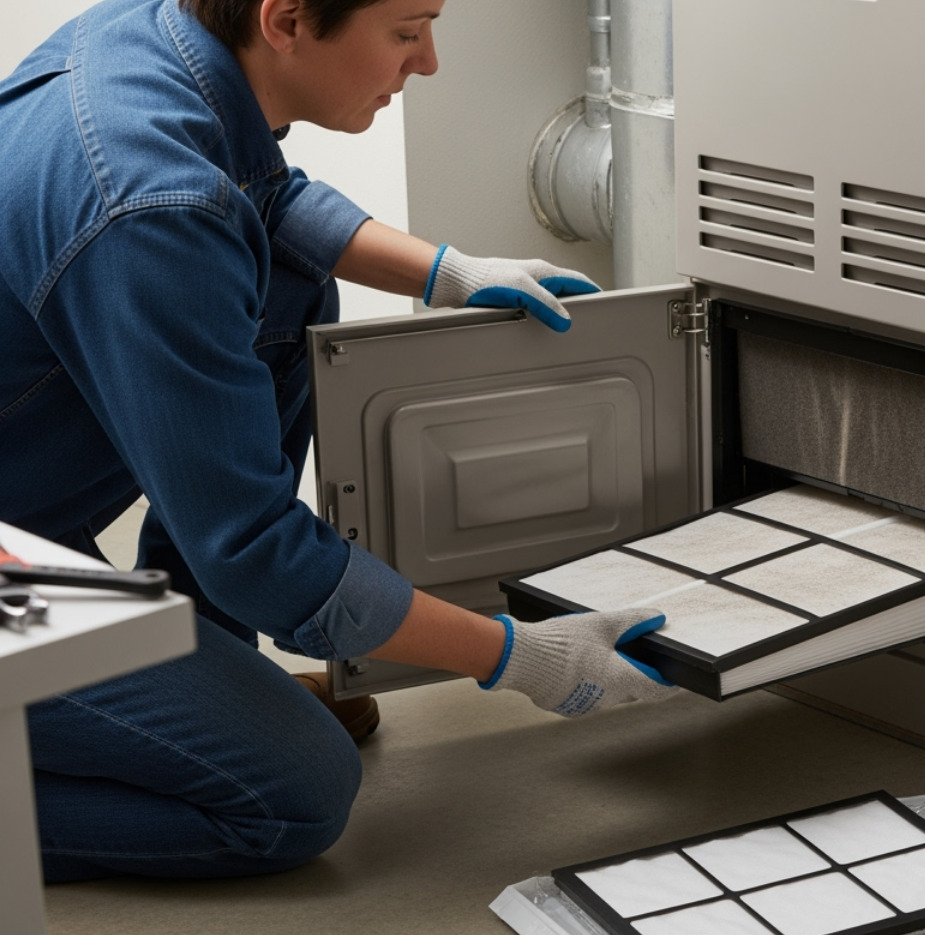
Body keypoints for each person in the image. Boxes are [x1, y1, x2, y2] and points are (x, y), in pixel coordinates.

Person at [0, 0, 674, 882]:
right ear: (284, 21)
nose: (427, 62)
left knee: (288, 287)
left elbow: (266, 198)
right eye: (405, 31)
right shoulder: (148, 205)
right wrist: (518, 656)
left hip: (25, 499)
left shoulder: (149, 40)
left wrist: (450, 271)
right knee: (294, 790)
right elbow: (255, 551)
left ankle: (200, 663)